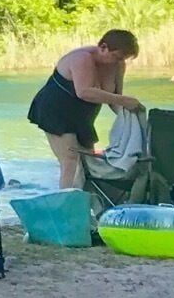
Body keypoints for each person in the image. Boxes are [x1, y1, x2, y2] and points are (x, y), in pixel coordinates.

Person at [28, 30, 142, 189]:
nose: (118, 61)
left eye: (123, 58)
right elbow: (84, 92)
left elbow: (114, 97)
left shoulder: (118, 65)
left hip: (83, 116)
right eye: (116, 57)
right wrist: (124, 101)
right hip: (56, 110)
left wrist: (130, 117)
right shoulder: (81, 58)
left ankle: (90, 201)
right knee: (70, 159)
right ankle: (66, 203)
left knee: (89, 162)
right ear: (103, 47)